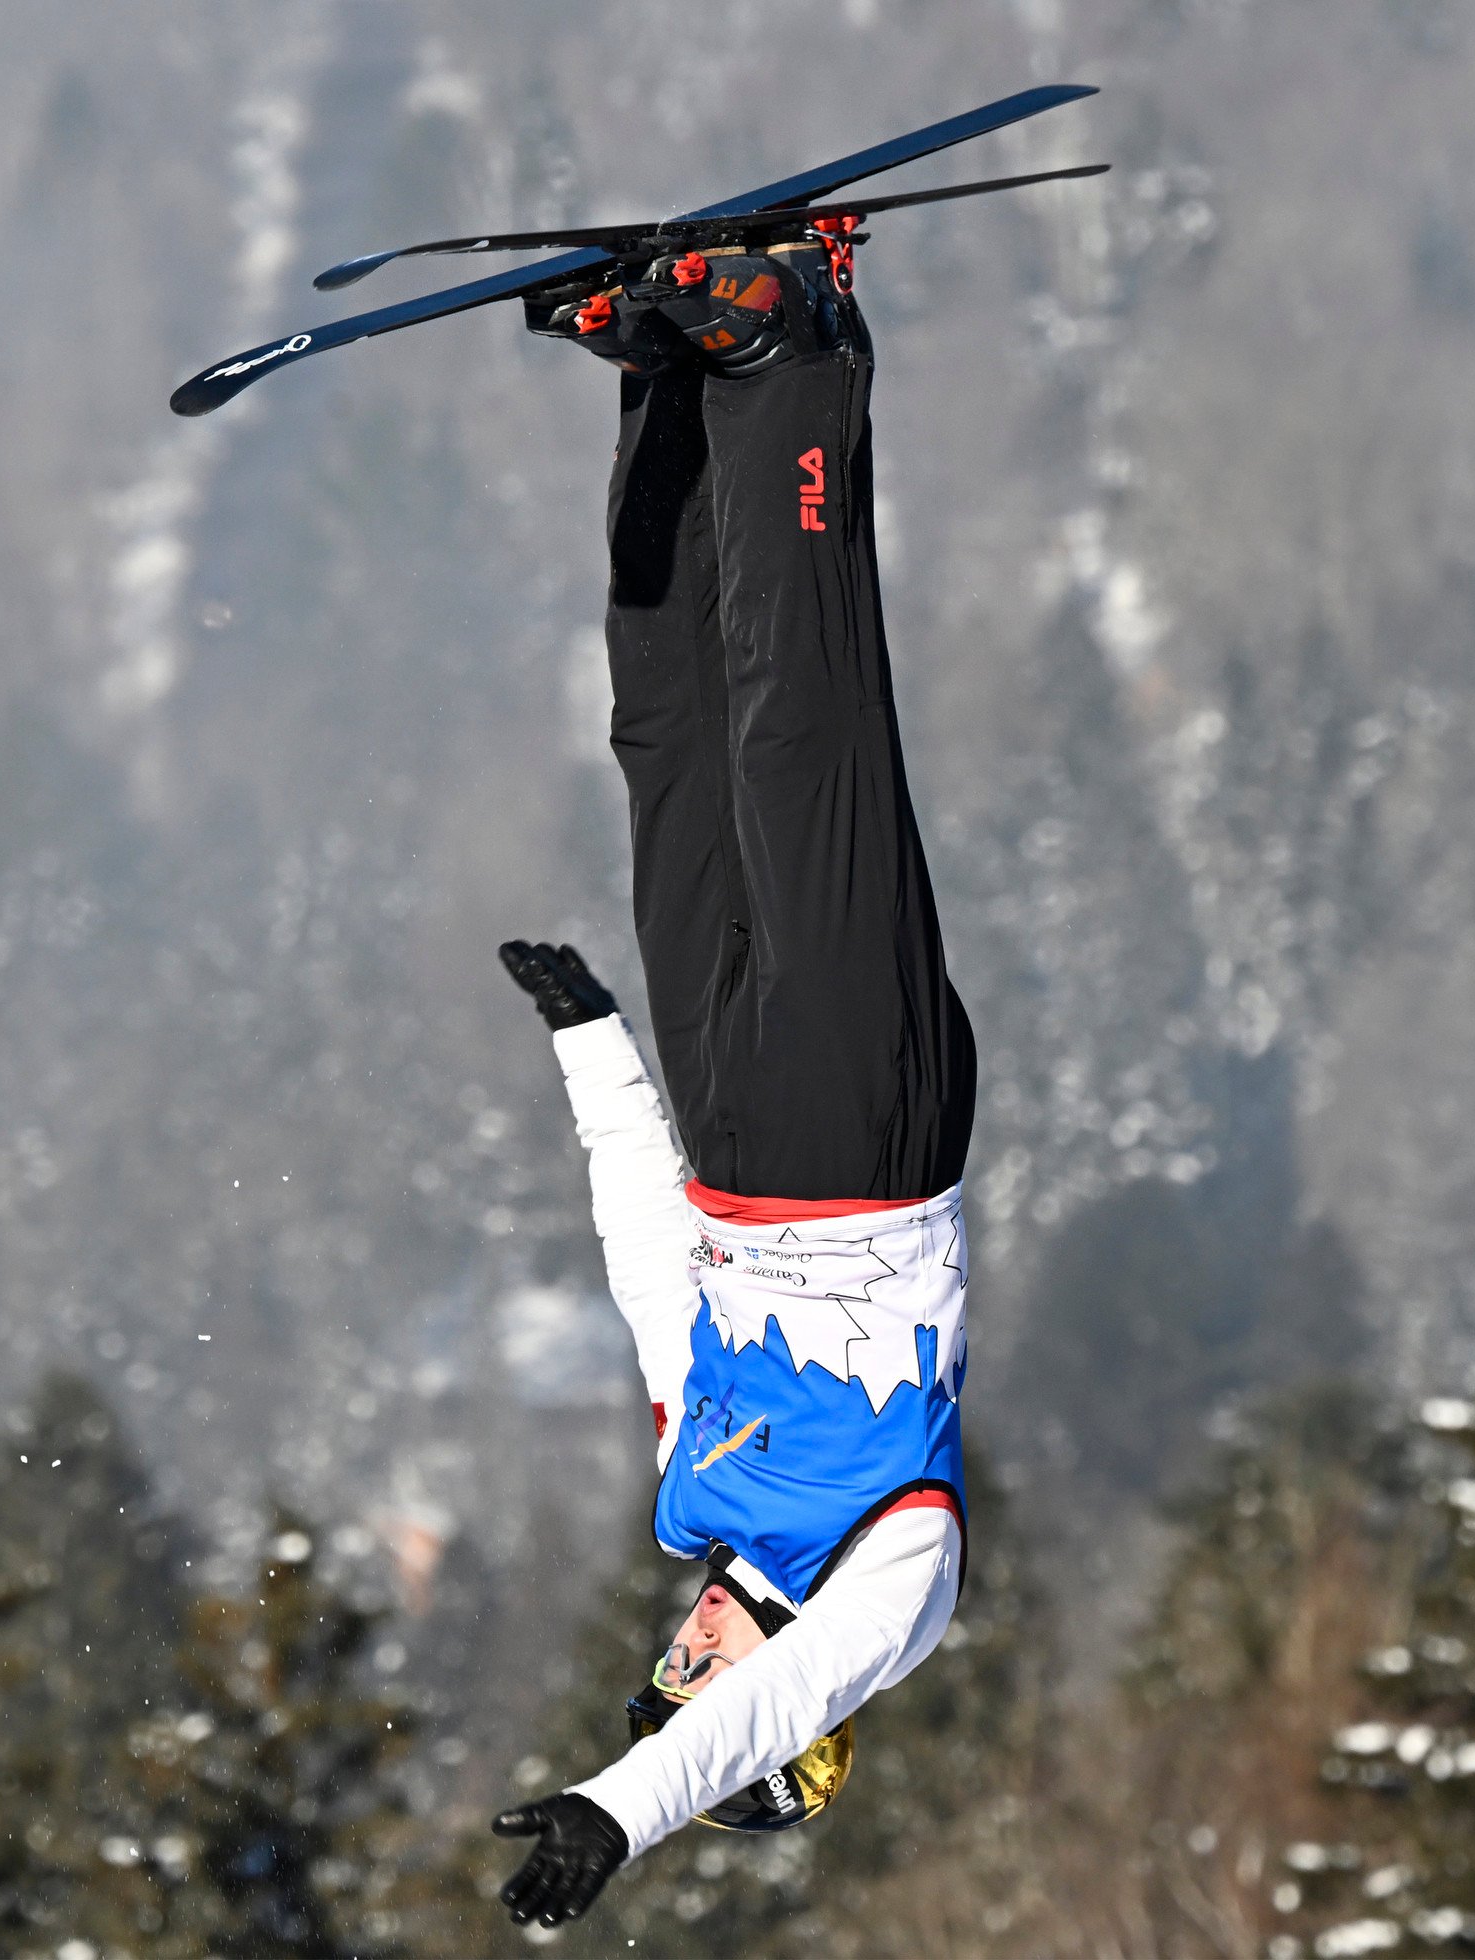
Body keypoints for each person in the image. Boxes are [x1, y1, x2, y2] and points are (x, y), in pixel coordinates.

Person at [487, 222, 979, 1930]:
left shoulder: (700, 1490)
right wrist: (624, 1817)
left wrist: (590, 1052)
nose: (680, 1653)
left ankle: (669, 382)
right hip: (868, 1128)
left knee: (672, 745)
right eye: (692, 1684)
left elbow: (647, 1268)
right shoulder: (889, 1582)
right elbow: (761, 1711)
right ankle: (795, 355)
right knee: (800, 728)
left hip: (732, 1136)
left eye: (662, 1675)